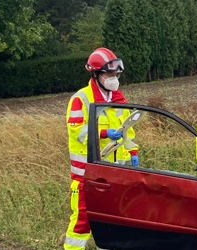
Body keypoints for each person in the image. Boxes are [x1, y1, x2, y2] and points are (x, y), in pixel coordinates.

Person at [64, 47, 138, 250]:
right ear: (96, 74)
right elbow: (77, 132)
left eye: (116, 74)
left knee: (111, 226)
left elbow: (128, 132)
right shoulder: (82, 99)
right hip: (87, 177)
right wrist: (104, 134)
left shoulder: (118, 100)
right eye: (109, 74)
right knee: (81, 225)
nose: (114, 79)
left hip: (115, 177)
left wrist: (133, 153)